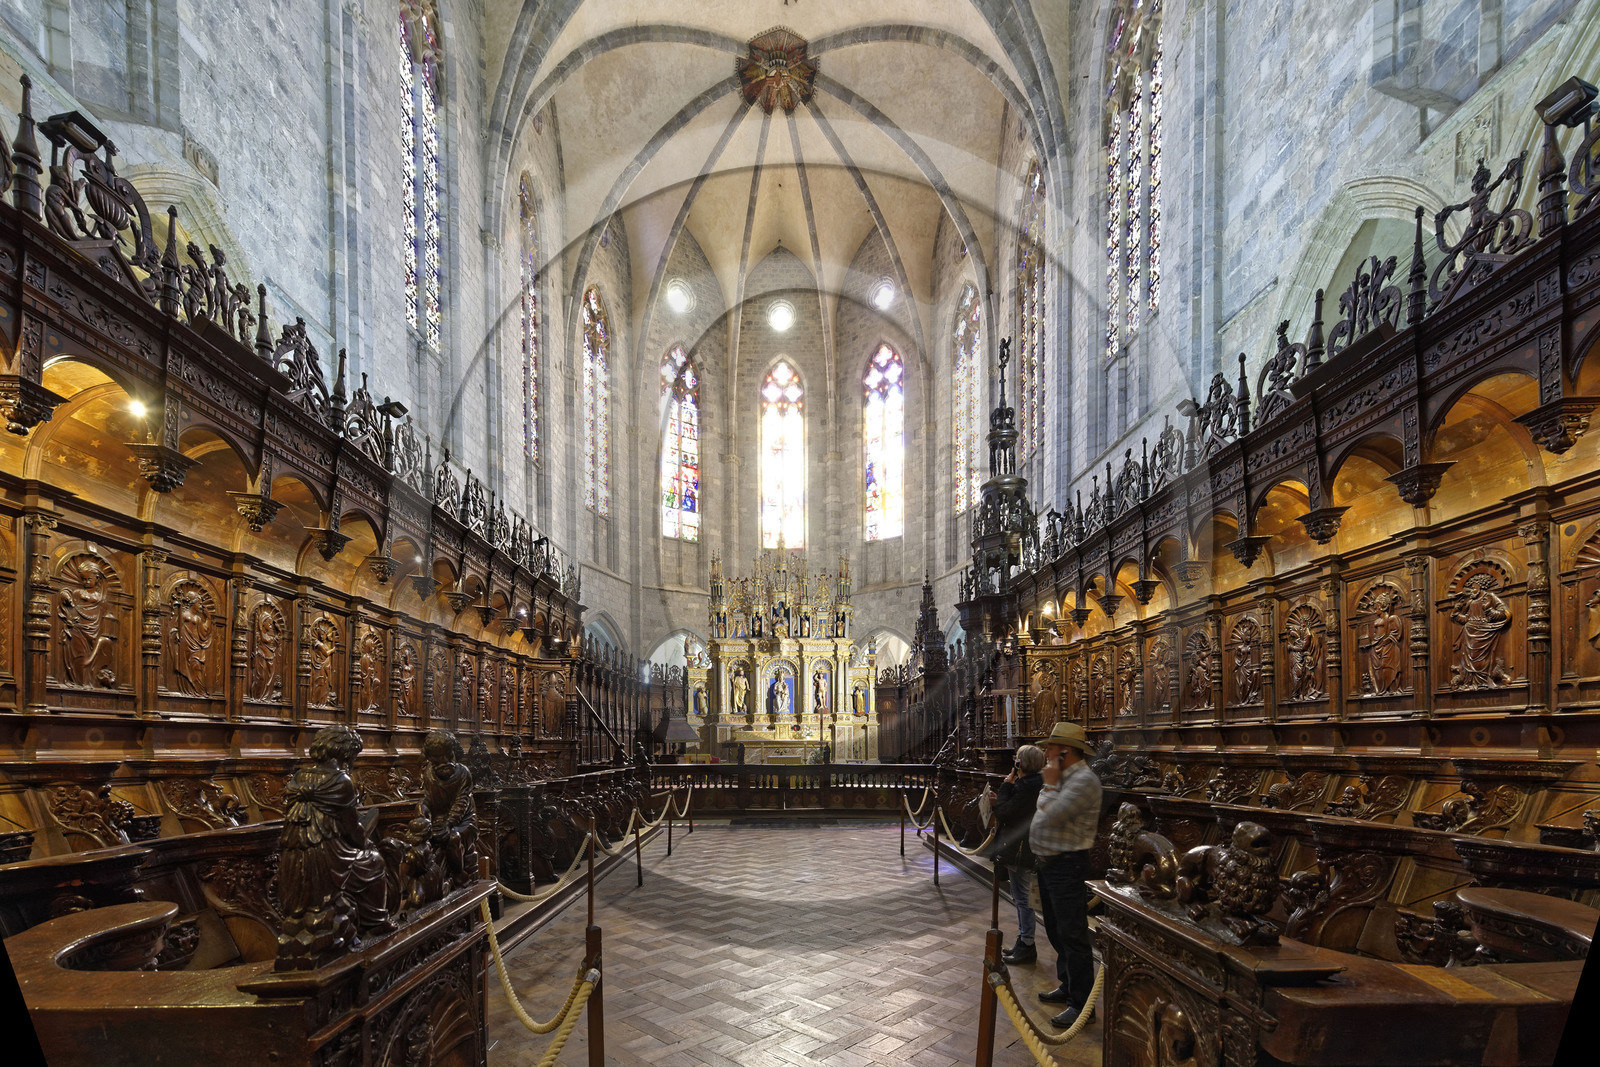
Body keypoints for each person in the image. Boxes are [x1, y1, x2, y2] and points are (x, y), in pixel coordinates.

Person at [1030, 720, 1102, 1028]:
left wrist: (1048, 784)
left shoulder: (1083, 780)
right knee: (1057, 930)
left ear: (1066, 751)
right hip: (1050, 863)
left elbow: (1051, 816)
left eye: (1050, 747)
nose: (1045, 751)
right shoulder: (1063, 776)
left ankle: (1081, 1004)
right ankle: (1068, 984)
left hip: (1066, 864)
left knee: (1073, 935)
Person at [987, 744, 1046, 964]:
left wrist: (1004, 787)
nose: (1015, 760)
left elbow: (1004, 813)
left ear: (1022, 763)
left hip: (1021, 849)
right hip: (1020, 847)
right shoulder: (1029, 784)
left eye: (1017, 758)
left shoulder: (1028, 786)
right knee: (1020, 896)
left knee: (1023, 898)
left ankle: (1028, 944)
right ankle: (1023, 940)